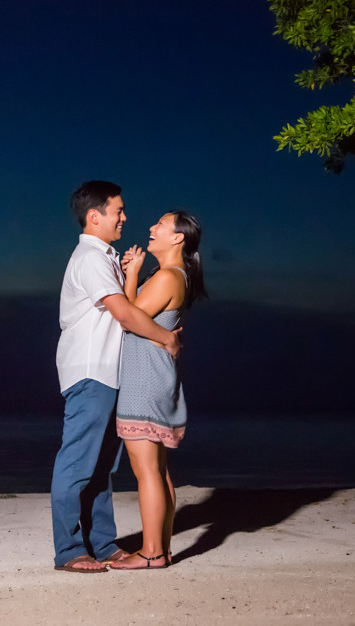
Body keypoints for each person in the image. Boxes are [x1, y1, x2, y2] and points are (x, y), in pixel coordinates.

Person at [51, 181, 181, 574]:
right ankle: (69, 550)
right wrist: (166, 339)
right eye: (118, 211)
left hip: (110, 374)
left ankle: (103, 544)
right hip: (91, 372)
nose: (125, 217)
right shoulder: (90, 258)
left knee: (103, 466)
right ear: (95, 216)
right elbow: (124, 314)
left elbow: (124, 311)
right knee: (77, 463)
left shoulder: (105, 257)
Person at [109, 211, 207, 570]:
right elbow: (136, 314)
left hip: (144, 380)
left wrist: (130, 277)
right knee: (159, 469)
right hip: (154, 376)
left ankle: (151, 553)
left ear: (178, 238)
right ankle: (160, 549)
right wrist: (134, 273)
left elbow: (127, 318)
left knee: (147, 470)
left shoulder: (167, 276)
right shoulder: (172, 276)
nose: (151, 228)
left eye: (161, 226)